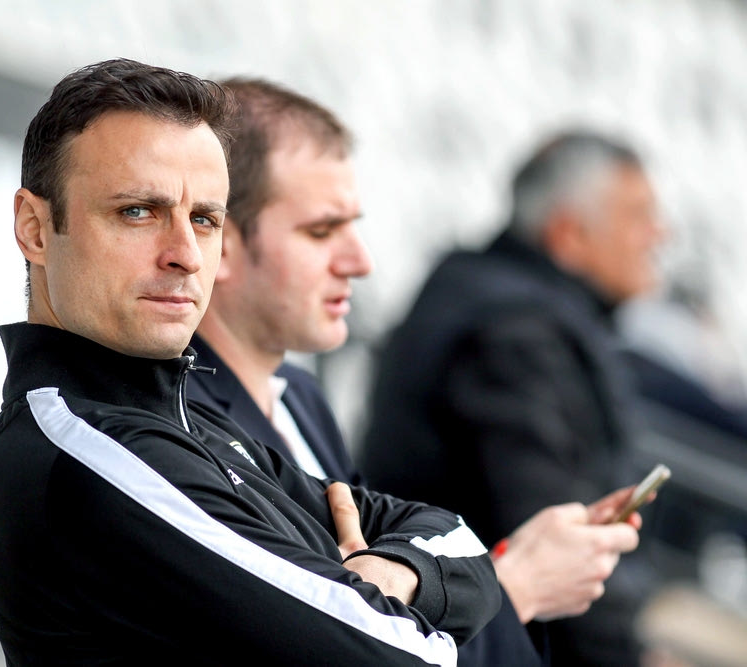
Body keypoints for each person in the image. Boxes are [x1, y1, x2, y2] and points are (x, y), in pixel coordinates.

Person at [0, 58, 501, 666]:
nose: (186, 254)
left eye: (203, 219)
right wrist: (377, 595)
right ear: (35, 229)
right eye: (137, 211)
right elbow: (411, 656)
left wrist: (391, 573)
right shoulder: (94, 454)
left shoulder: (182, 423)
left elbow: (458, 539)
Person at [187, 78, 644, 666]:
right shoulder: (184, 422)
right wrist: (512, 588)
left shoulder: (300, 395)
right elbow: (335, 646)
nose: (360, 261)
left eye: (353, 226)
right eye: (321, 231)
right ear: (220, 240)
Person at [358, 130, 667, 665]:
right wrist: (631, 657)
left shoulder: (485, 293)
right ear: (569, 234)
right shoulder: (517, 334)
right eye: (637, 215)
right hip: (477, 637)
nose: (659, 234)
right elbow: (548, 531)